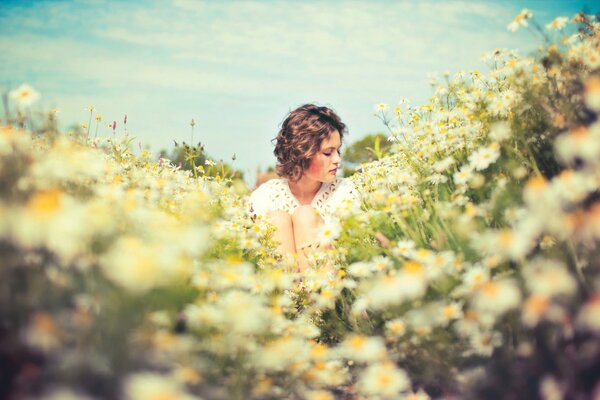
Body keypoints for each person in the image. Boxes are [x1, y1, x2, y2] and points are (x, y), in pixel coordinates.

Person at [248, 104, 360, 271]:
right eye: (328, 153)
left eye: (338, 151)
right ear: (302, 153)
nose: (338, 160)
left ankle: (311, 295)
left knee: (306, 215)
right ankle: (292, 295)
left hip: (329, 288)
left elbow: (351, 252)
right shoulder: (265, 196)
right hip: (278, 289)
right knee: (277, 219)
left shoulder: (343, 192)